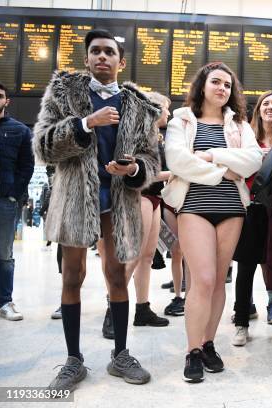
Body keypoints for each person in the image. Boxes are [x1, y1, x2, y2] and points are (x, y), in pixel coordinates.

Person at [34, 29, 160, 391]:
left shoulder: (141, 106)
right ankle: (73, 360)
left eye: (109, 52)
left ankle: (121, 354)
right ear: (87, 59)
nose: (102, 57)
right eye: (95, 52)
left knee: (117, 276)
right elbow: (43, 146)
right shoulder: (63, 93)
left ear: (122, 62)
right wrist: (86, 124)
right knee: (72, 276)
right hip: (76, 196)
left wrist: (133, 168)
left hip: (119, 200)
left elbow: (151, 160)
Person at [163, 62, 262, 383]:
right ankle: (192, 350)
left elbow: (253, 160)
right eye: (216, 82)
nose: (222, 89)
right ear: (202, 85)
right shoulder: (182, 120)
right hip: (194, 206)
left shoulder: (240, 124)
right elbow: (177, 161)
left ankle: (207, 344)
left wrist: (212, 154)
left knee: (218, 281)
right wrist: (224, 171)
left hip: (232, 208)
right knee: (202, 279)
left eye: (228, 85)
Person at [232, 90, 272, 346]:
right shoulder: (246, 137)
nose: (271, 107)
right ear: (259, 108)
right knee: (246, 266)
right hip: (250, 208)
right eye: (267, 103)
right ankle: (241, 321)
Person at [123, 91, 172, 327]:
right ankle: (113, 311)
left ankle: (142, 309)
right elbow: (135, 170)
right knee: (133, 256)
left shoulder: (158, 136)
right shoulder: (137, 134)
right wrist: (173, 174)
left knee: (147, 257)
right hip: (139, 195)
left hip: (153, 197)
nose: (169, 113)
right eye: (166, 108)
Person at [0, 81, 35, 321]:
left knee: (4, 254)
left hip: (5, 201)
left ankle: (5, 302)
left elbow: (27, 166)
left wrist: (14, 193)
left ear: (6, 101)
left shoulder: (20, 130)